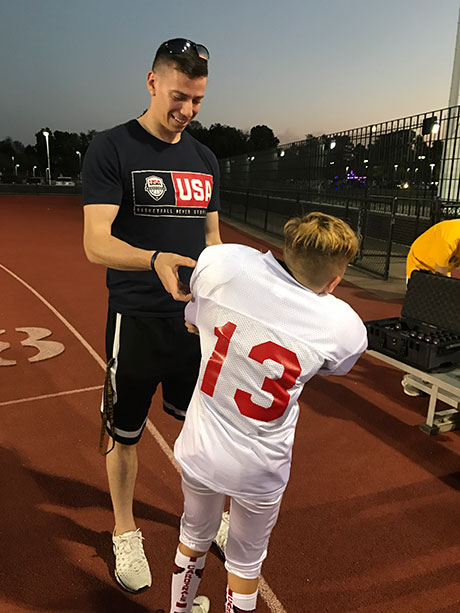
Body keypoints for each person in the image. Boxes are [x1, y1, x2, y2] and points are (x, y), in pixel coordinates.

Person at [168, 212, 368, 613]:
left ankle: (179, 610)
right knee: (245, 561)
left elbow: (196, 312)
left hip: (202, 446)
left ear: (286, 248)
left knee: (193, 534)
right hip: (261, 464)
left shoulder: (225, 263)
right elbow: (331, 364)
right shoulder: (343, 326)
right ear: (333, 281)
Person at [82, 38, 221, 608]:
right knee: (125, 430)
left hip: (193, 325)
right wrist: (154, 259)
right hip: (136, 318)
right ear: (151, 82)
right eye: (179, 96)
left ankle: (201, 522)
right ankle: (124, 530)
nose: (187, 110)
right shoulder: (112, 147)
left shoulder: (207, 159)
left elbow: (211, 239)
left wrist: (224, 299)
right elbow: (95, 242)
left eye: (198, 99)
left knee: (203, 435)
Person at [402, 219, 460, 395]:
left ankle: (441, 367)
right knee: (426, 323)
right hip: (421, 268)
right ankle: (413, 377)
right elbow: (441, 278)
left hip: (442, 268)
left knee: (445, 323)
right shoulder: (449, 238)